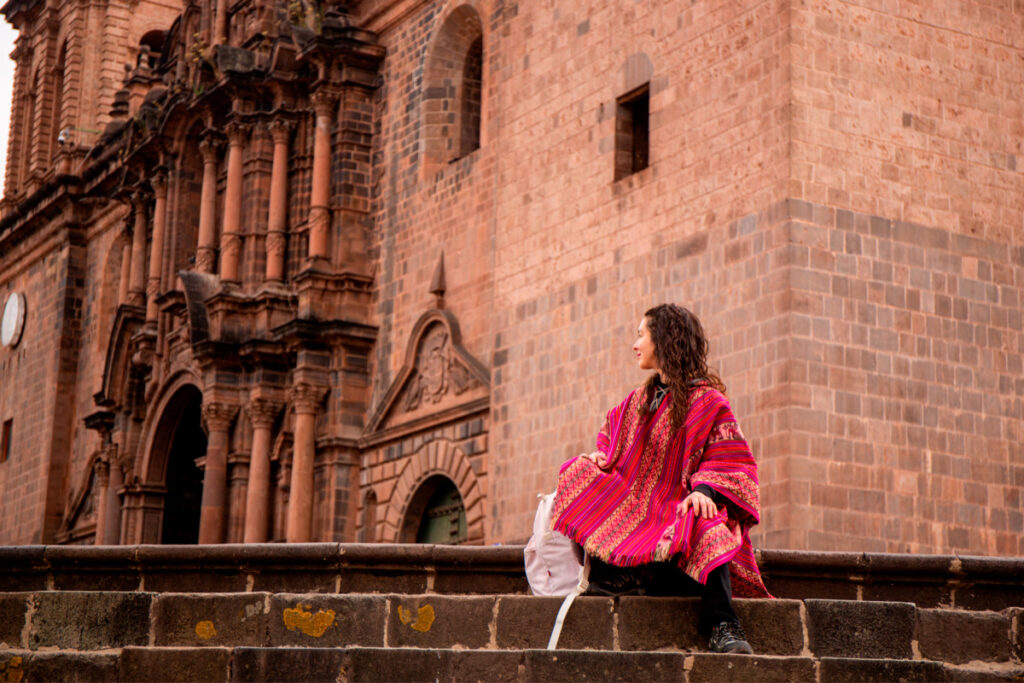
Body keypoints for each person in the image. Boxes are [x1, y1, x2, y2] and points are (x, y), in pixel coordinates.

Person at [550, 303, 771, 654]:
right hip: (639, 516)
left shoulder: (709, 403)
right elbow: (611, 434)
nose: (635, 344)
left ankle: (723, 624)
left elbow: (733, 461)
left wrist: (704, 490)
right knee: (578, 471)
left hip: (676, 521)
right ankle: (620, 573)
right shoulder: (639, 400)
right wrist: (600, 458)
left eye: (641, 335)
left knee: (708, 521)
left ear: (664, 340)